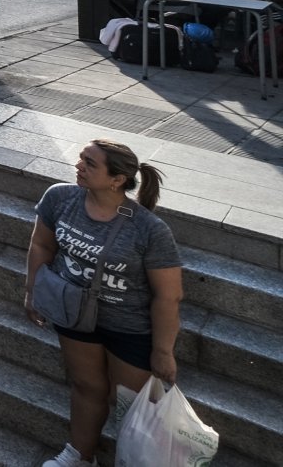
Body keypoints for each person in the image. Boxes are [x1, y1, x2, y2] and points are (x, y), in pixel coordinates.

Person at [24, 139, 183, 467]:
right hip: (73, 312)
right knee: (85, 386)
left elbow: (169, 295)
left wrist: (163, 350)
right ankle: (80, 456)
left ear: (117, 180)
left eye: (90, 163)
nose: (79, 165)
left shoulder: (149, 229)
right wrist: (33, 291)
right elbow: (41, 245)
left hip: (128, 326)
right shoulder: (60, 197)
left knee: (130, 403)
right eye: (81, 158)